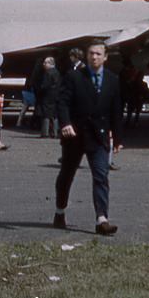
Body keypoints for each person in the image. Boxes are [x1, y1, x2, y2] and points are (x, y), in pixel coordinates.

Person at [54, 42, 122, 235]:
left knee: (101, 176)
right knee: (66, 176)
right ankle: (60, 211)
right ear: (86, 56)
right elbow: (62, 102)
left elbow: (116, 109)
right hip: (75, 137)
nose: (94, 57)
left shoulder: (112, 80)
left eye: (98, 54)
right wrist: (65, 123)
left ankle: (102, 220)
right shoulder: (74, 76)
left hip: (99, 138)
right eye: (91, 53)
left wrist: (118, 138)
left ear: (105, 57)